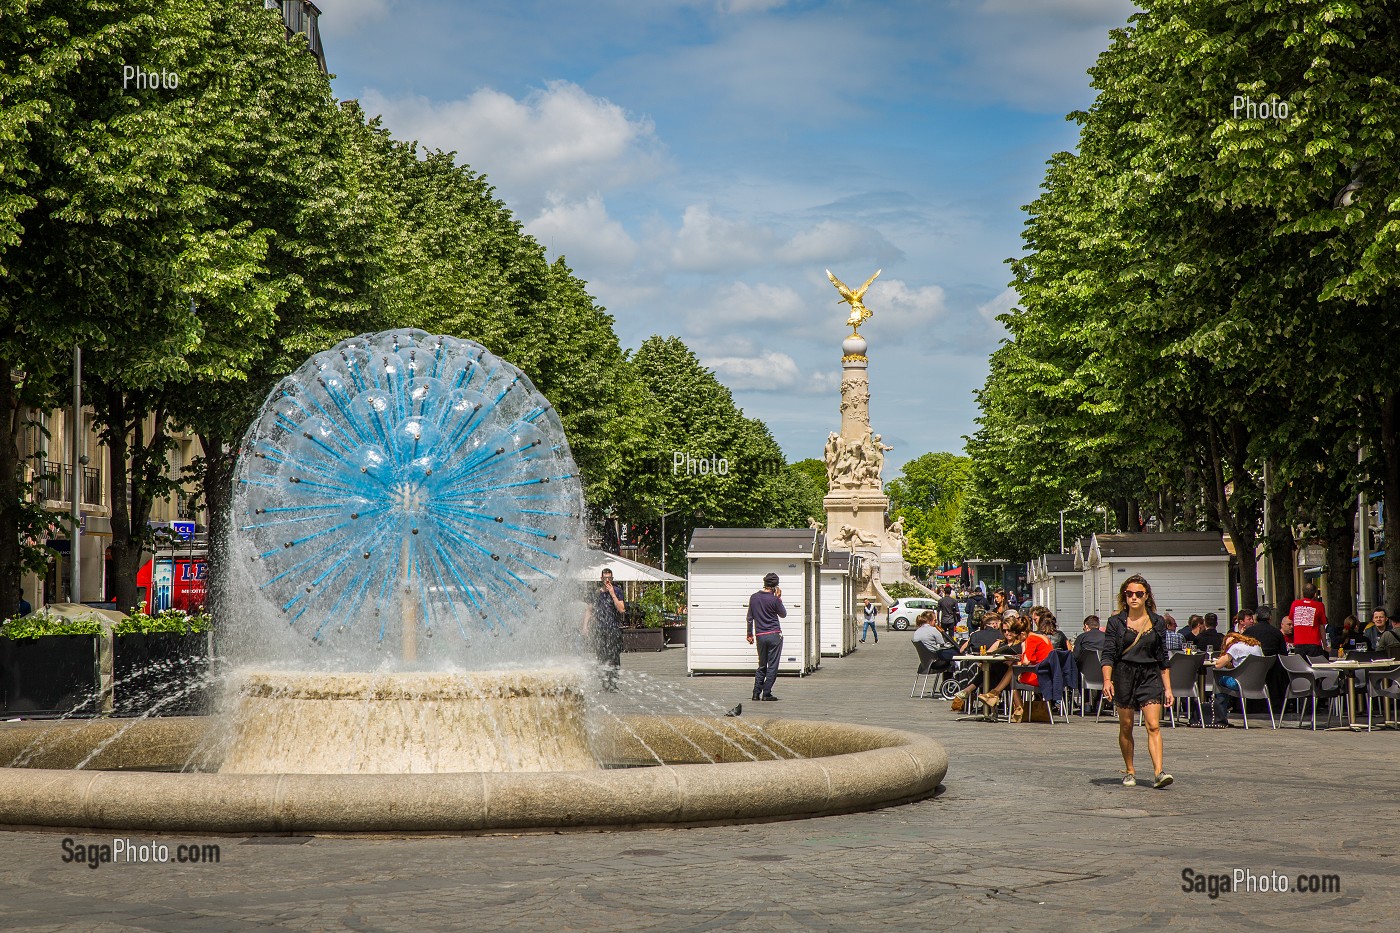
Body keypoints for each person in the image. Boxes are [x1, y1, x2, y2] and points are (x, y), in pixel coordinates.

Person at [1100, 574, 1173, 788]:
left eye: (1139, 594)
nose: (1134, 598)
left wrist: (1168, 688)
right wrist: (1107, 680)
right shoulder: (1116, 622)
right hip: (1123, 674)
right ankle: (1130, 770)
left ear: (1146, 596)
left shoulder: (1157, 621)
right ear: (1124, 596)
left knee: (1153, 725)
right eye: (1129, 593)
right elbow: (1108, 654)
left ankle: (1159, 772)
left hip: (1149, 675)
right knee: (1126, 725)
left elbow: (1162, 656)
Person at [977, 616, 1053, 717]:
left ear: (1022, 634)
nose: (1019, 640)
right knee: (1014, 670)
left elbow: (1026, 662)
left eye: (1017, 638)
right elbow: (1035, 658)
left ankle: (998, 696)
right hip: (1046, 673)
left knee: (1014, 673)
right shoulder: (1039, 636)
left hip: (1040, 676)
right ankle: (1001, 698)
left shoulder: (1031, 639)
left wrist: (1023, 647)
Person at [745, 572, 786, 702]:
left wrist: (749, 634)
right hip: (774, 635)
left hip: (760, 636)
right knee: (772, 665)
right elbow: (783, 614)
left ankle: (756, 693)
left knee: (762, 665)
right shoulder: (774, 599)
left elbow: (750, 618)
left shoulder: (754, 597)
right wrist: (779, 598)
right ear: (775, 586)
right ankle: (766, 693)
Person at [1210, 631, 1263, 728]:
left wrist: (1225, 654)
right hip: (1259, 684)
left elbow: (1218, 665)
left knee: (1219, 680)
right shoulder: (1256, 646)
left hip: (1241, 684)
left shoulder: (1235, 647)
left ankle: (1220, 719)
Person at [584, 569, 626, 691]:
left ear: (613, 578)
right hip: (600, 629)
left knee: (614, 656)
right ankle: (604, 682)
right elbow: (589, 610)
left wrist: (613, 594)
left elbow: (622, 609)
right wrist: (585, 626)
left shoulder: (617, 591)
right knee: (601, 656)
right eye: (605, 578)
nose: (607, 580)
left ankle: (614, 682)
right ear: (601, 579)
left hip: (613, 629)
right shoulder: (596, 593)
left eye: (610, 578)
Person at [1286, 584, 1328, 655]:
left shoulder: (1295, 604)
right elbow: (1321, 626)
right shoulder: (1319, 606)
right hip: (1314, 643)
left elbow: (1291, 619)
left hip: (1298, 644)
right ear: (1315, 594)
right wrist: (1325, 645)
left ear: (1303, 593)